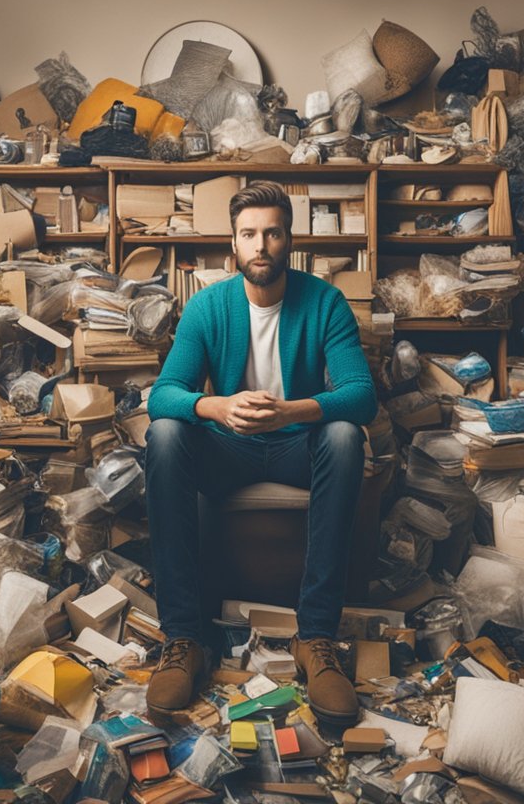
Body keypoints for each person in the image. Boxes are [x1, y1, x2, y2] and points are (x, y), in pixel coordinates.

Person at [144, 180, 376, 726]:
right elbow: (163, 395)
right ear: (233, 244)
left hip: (296, 445)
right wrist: (216, 407)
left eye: (272, 233)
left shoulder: (325, 302)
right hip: (228, 449)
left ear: (290, 240)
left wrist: (292, 411)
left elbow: (360, 394)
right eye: (249, 234)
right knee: (165, 434)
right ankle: (185, 638)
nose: (261, 245)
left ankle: (316, 638)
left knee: (345, 434)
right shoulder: (207, 306)